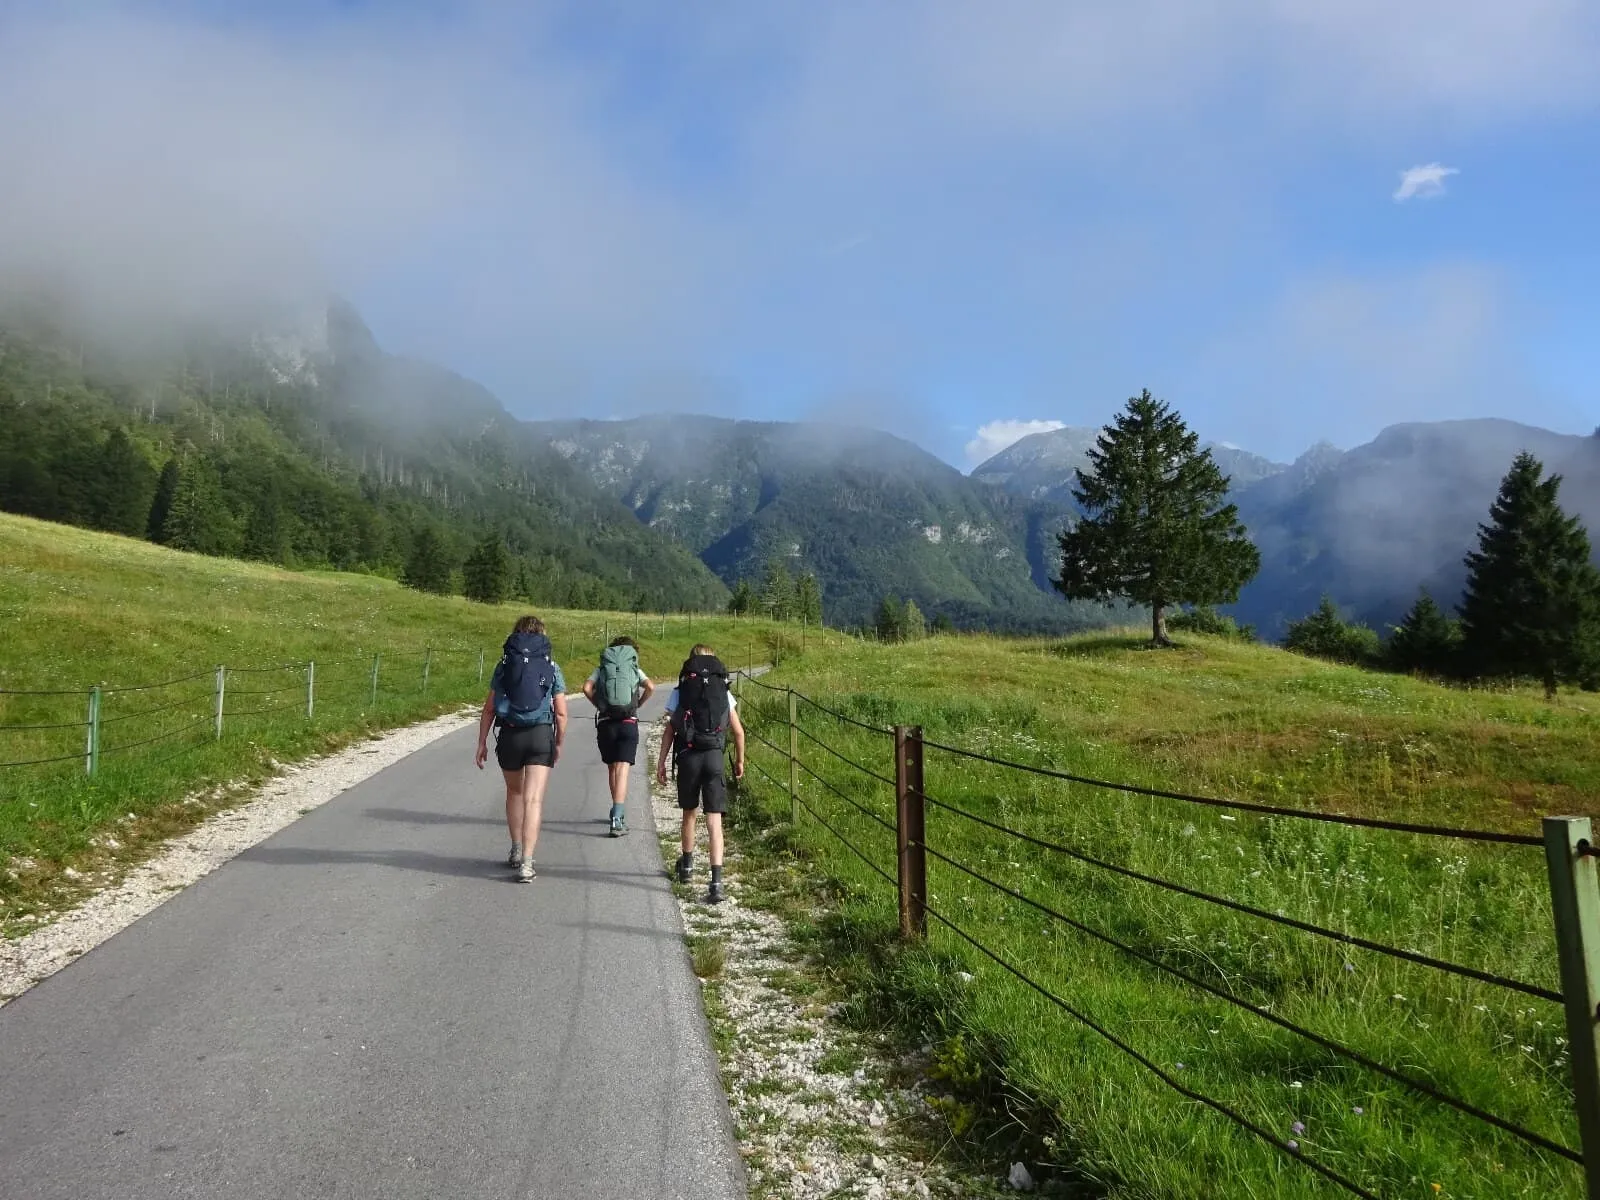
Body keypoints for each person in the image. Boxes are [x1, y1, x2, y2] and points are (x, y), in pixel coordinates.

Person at [475, 616, 567, 882]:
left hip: (510, 735)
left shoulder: (504, 665)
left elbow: (490, 708)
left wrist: (481, 742)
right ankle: (528, 862)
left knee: (514, 792)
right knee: (533, 799)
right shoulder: (551, 666)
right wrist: (558, 742)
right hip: (540, 735)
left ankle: (515, 850)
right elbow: (561, 713)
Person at [654, 644, 744, 904]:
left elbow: (671, 729)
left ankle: (688, 866)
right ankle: (716, 883)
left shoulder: (681, 690)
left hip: (689, 757)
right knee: (714, 820)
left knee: (689, 814)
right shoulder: (723, 693)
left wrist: (661, 763)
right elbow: (738, 732)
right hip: (714, 756)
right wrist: (739, 761)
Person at [581, 635, 655, 836]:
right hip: (627, 722)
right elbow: (651, 687)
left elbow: (586, 688)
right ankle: (617, 818)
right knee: (622, 769)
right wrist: (638, 704)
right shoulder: (633, 668)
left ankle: (616, 811)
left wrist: (600, 705)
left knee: (612, 768)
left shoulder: (602, 668)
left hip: (606, 723)